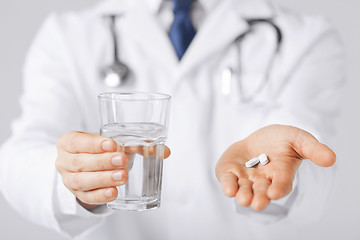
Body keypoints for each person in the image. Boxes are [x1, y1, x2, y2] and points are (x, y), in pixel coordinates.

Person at [0, 0, 344, 239]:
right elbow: (20, 154)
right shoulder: (69, 35)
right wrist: (72, 178)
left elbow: (309, 160)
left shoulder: (306, 38)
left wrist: (282, 174)